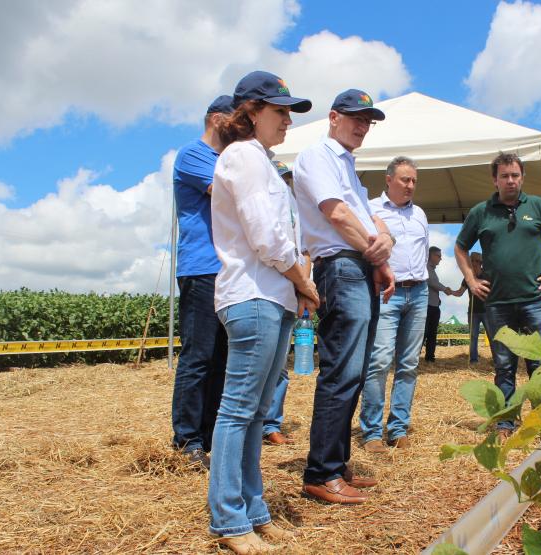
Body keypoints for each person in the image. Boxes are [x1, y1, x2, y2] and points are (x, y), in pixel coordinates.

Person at [207, 71, 318, 554]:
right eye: (280, 112)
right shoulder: (244, 157)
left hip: (272, 296)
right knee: (237, 410)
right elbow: (266, 237)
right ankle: (230, 521)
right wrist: (304, 281)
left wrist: (296, 286)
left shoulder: (264, 162)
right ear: (251, 112)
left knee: (255, 414)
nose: (288, 121)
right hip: (253, 294)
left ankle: (253, 511)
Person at [293, 89, 395, 505]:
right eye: (356, 117)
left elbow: (369, 217)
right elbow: (336, 213)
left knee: (353, 370)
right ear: (333, 117)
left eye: (368, 120)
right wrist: (377, 249)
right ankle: (321, 472)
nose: (363, 125)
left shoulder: (347, 166)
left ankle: (335, 462)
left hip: (357, 267)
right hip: (340, 266)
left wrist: (380, 252)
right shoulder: (318, 156)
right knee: (341, 371)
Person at [455, 152, 541, 438]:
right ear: (495, 179)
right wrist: (471, 281)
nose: (510, 181)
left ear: (522, 177)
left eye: (515, 175)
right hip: (497, 303)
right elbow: (460, 247)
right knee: (504, 365)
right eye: (505, 176)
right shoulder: (481, 212)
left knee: (538, 364)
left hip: (533, 300)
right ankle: (506, 422)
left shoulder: (539, 206)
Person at [170, 94, 233, 469]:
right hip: (201, 268)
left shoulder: (228, 160)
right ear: (215, 118)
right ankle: (187, 439)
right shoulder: (193, 155)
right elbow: (227, 194)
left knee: (222, 357)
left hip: (228, 270)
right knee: (199, 355)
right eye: (234, 118)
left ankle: (209, 436)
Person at [359, 156, 429, 453]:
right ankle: (372, 431)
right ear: (388, 180)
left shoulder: (421, 214)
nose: (410, 185)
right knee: (380, 360)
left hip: (419, 292)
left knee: (409, 364)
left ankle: (397, 428)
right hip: (387, 292)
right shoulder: (371, 209)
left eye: (413, 180)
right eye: (404, 179)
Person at [261, 161, 308, 447]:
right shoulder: (268, 202)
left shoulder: (296, 208)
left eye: (288, 177)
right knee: (263, 364)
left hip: (291, 291)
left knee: (279, 367)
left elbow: (305, 251)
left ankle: (270, 424)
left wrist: (305, 285)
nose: (287, 181)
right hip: (269, 290)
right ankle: (259, 424)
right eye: (283, 177)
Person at [423, 246, 460, 362]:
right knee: (424, 333)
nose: (441, 258)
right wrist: (445, 289)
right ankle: (421, 358)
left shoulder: (431, 269)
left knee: (431, 333)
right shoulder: (426, 268)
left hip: (433, 306)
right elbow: (432, 282)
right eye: (438, 256)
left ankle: (429, 358)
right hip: (428, 306)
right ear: (430, 255)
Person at [457, 252, 489, 364]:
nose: (472, 264)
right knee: (473, 337)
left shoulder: (487, 275)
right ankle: (473, 360)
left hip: (487, 311)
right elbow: (460, 292)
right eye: (471, 262)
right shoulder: (467, 277)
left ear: (480, 263)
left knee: (492, 336)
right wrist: (449, 291)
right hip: (473, 312)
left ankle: (497, 360)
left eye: (474, 261)